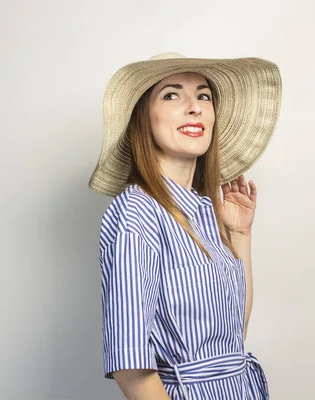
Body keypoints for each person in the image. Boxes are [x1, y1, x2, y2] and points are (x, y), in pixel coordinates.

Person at [89, 53, 282, 400]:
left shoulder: (206, 210)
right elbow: (130, 368)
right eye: (172, 95)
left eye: (203, 95)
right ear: (144, 119)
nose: (194, 107)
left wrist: (240, 235)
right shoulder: (138, 211)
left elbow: (232, 334)